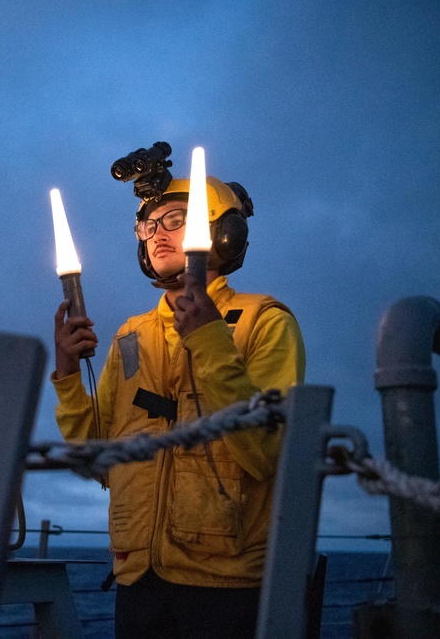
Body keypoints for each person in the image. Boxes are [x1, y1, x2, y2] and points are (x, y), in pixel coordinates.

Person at [52, 172, 305, 639]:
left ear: (223, 232)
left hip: (226, 583)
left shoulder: (264, 323)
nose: (157, 233)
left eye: (175, 219)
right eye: (147, 226)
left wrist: (210, 341)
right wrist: (67, 376)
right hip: (139, 579)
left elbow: (266, 452)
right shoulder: (131, 336)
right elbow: (97, 461)